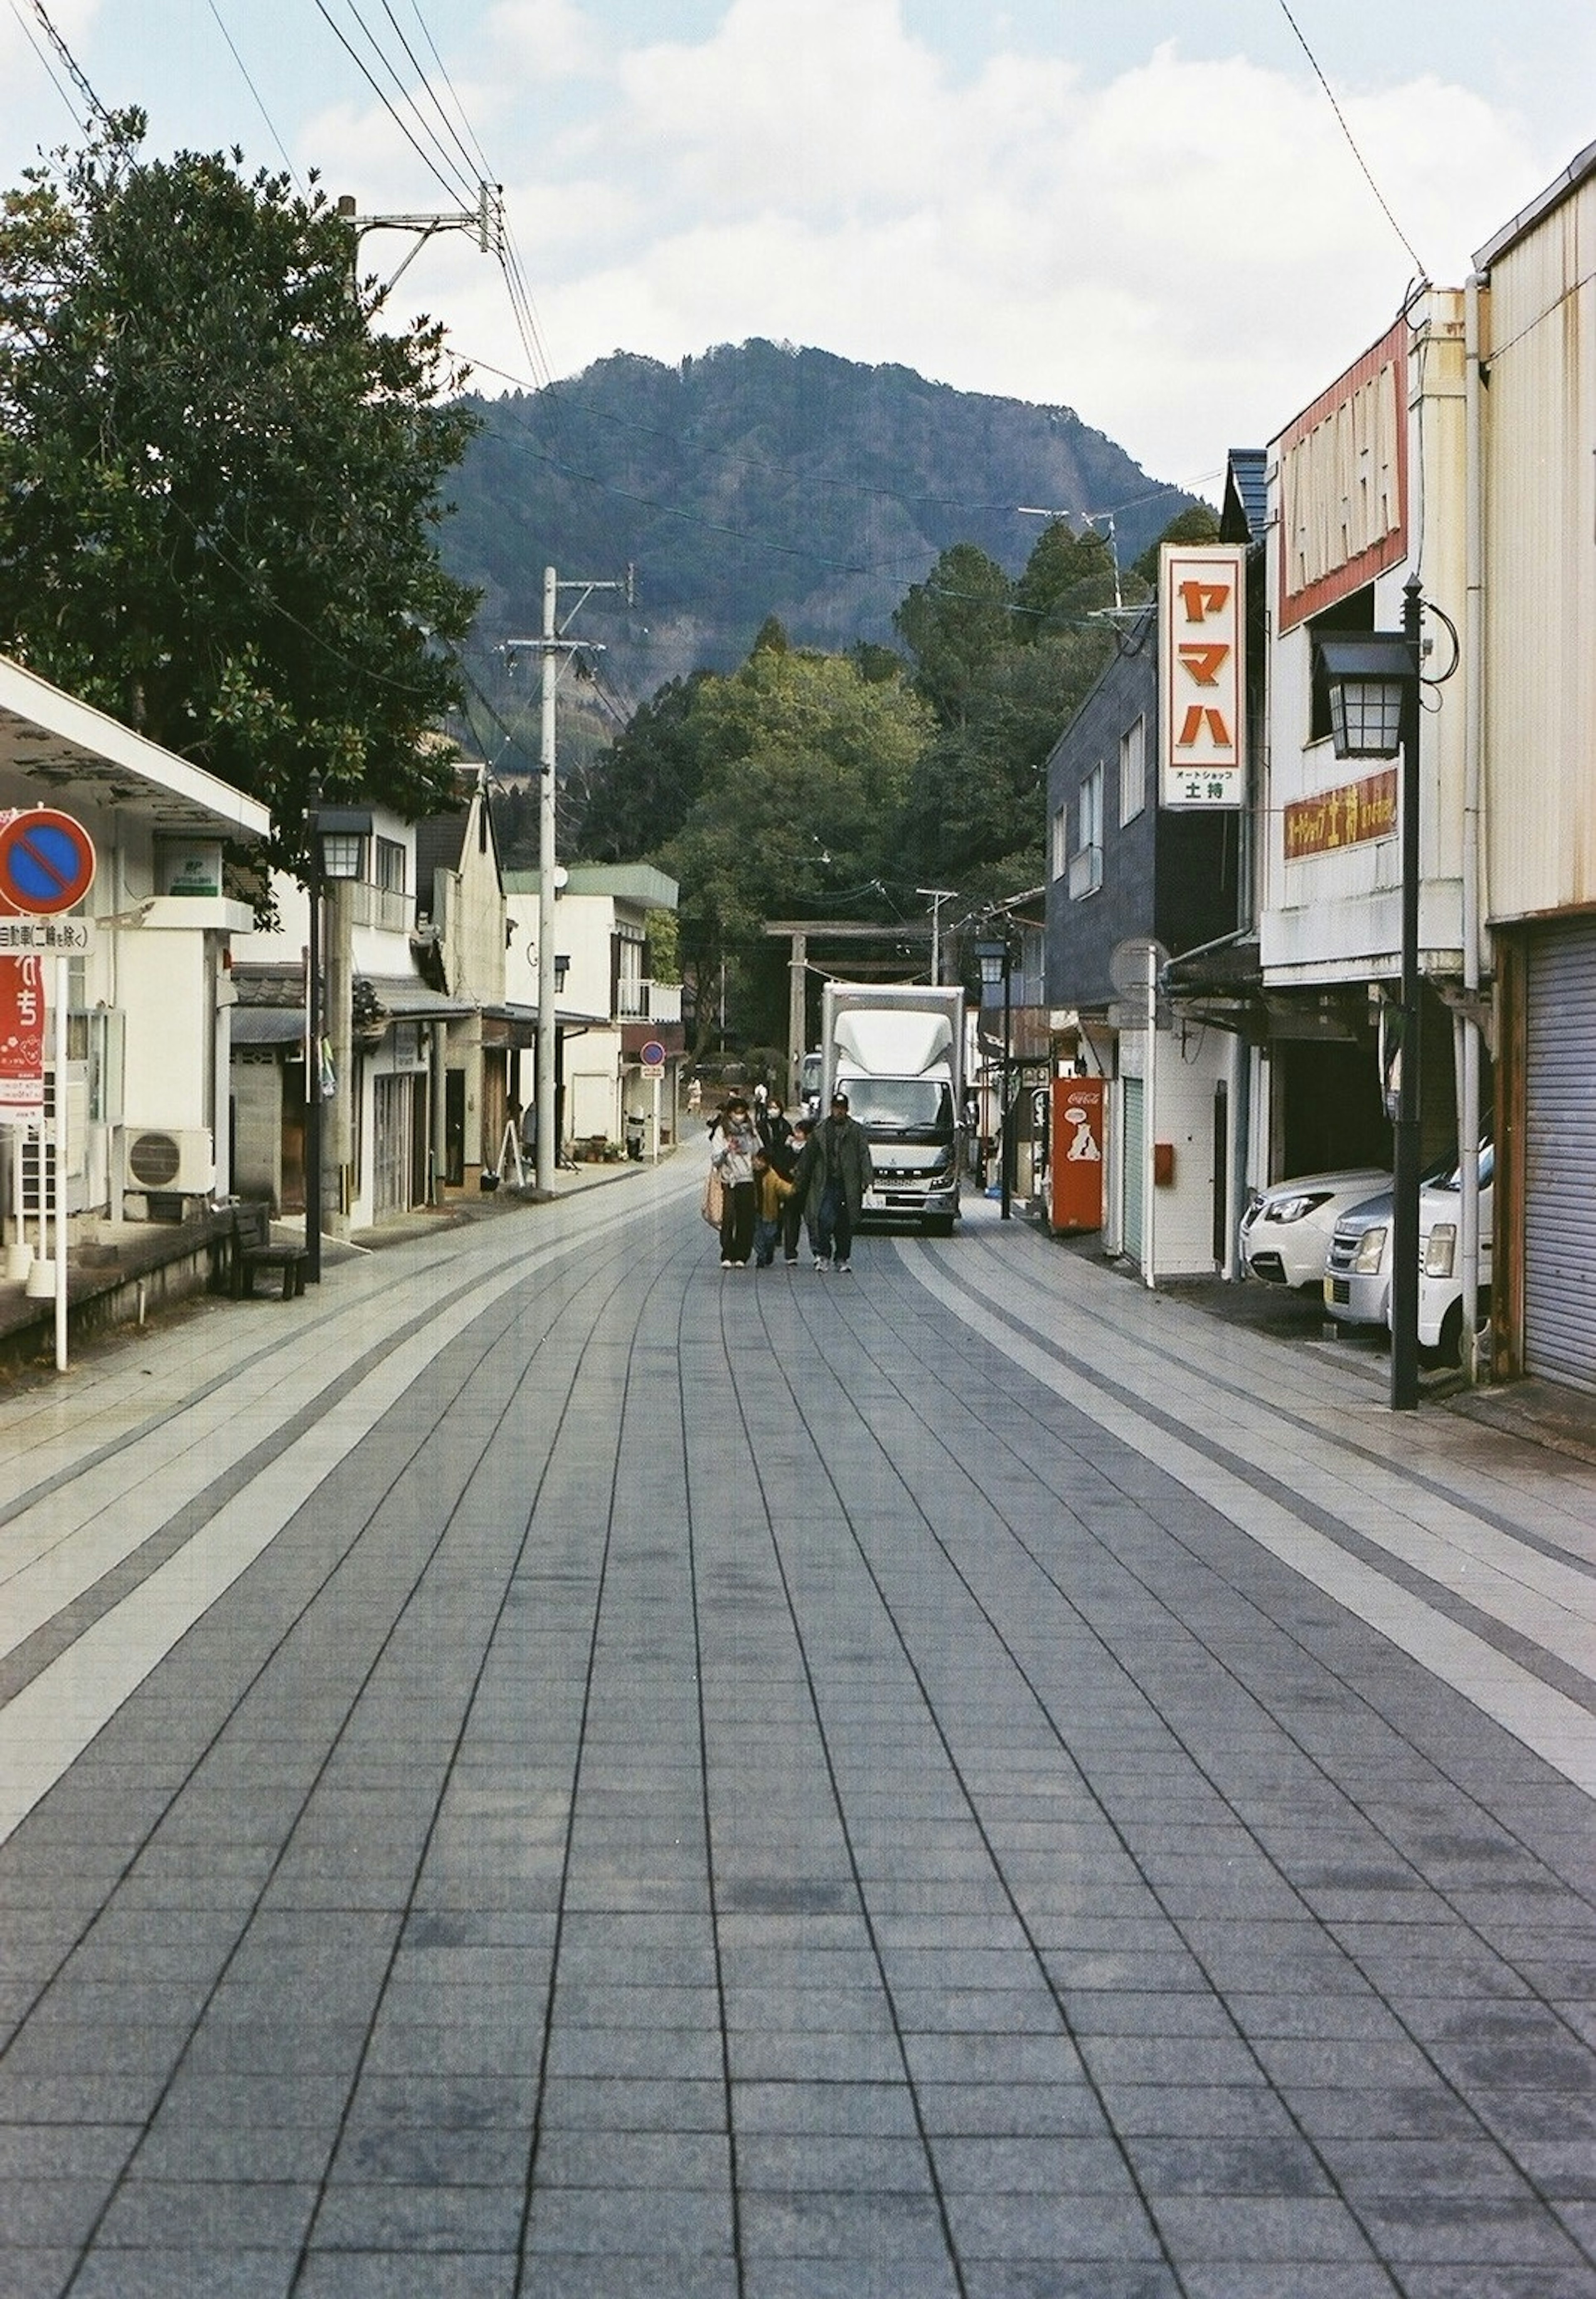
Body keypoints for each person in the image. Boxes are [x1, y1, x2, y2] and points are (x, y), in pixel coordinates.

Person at [807, 1090, 873, 1272]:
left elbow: (864, 1155)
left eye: (842, 1109)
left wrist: (868, 1179)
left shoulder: (856, 1131)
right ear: (831, 1109)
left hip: (848, 1184)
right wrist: (801, 1180)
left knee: (845, 1223)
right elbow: (809, 1158)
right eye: (836, 1108)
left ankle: (842, 1257)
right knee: (823, 1220)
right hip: (825, 1182)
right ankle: (824, 1255)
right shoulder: (821, 1130)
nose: (839, 1112)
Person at [712, 1097, 758, 1267]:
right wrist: (726, 1151)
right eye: (736, 1113)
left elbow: (758, 1152)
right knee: (728, 1217)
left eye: (742, 1113)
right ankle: (727, 1253)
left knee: (746, 1218)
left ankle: (742, 1255)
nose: (739, 1116)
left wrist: (748, 1147)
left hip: (747, 1178)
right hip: (728, 1179)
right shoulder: (721, 1132)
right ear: (729, 1114)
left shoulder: (751, 1132)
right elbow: (715, 1159)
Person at [784, 1117, 818, 1265]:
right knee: (791, 1221)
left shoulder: (811, 1149)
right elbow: (782, 1162)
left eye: (800, 1132)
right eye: (796, 1131)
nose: (796, 1134)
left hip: (807, 1188)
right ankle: (790, 1253)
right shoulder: (789, 1147)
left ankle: (817, 1251)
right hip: (792, 1188)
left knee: (812, 1221)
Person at [751, 1149, 794, 1267]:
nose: (759, 1163)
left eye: (762, 1161)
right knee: (757, 1235)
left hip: (770, 1211)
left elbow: (782, 1187)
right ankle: (761, 1256)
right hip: (755, 1211)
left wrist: (794, 1189)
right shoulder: (750, 1174)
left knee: (770, 1235)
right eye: (758, 1160)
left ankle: (769, 1252)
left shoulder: (772, 1176)